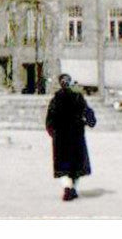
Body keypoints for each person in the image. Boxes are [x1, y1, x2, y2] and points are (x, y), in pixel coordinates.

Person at [45, 73, 96, 201]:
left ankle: (67, 187)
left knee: (63, 166)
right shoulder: (78, 97)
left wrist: (52, 132)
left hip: (61, 137)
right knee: (76, 165)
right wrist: (90, 122)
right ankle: (72, 188)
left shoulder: (56, 99)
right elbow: (88, 113)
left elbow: (50, 119)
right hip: (76, 135)